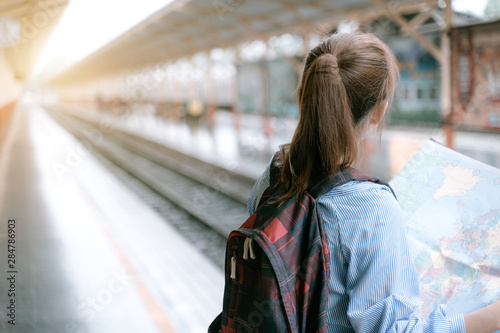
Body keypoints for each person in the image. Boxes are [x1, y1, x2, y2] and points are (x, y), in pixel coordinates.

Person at [247, 32, 500, 333]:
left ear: (303, 95)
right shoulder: (370, 205)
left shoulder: (274, 174)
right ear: (379, 111)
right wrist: (486, 320)